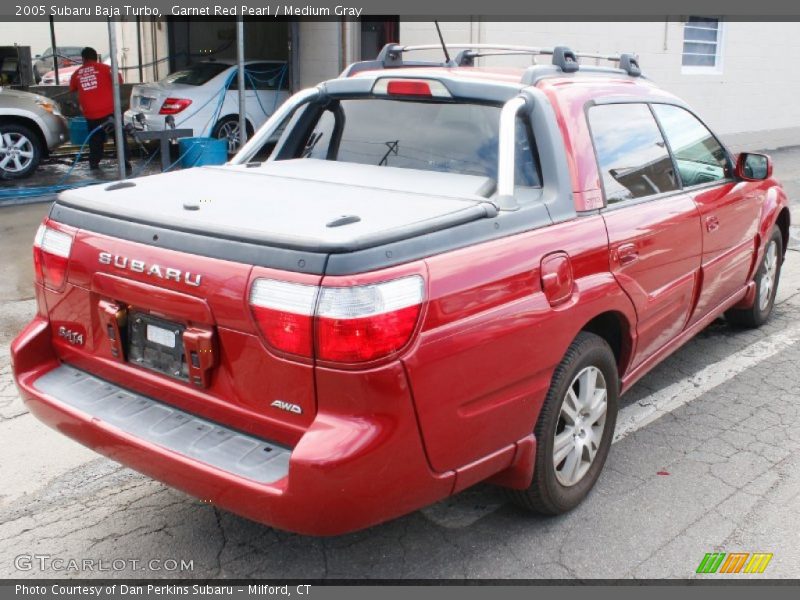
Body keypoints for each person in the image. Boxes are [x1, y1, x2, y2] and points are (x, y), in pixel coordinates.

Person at [69, 47, 130, 172]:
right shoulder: (106, 69)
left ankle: (94, 164)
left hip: (90, 115)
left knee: (95, 139)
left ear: (83, 59)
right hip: (109, 113)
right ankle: (125, 163)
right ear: (96, 57)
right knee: (119, 137)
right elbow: (119, 81)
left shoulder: (77, 73)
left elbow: (73, 90)